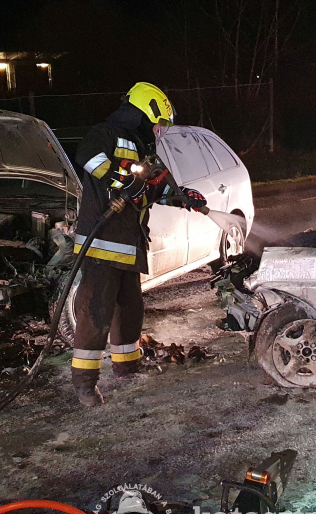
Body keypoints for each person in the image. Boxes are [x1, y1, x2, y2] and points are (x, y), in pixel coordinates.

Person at [70, 82, 206, 406]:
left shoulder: (145, 150)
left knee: (129, 314)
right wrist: (124, 180)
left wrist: (184, 197)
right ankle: (85, 386)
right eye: (159, 122)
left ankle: (127, 372)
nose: (160, 130)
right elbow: (87, 156)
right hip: (102, 244)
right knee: (95, 314)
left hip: (129, 248)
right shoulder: (106, 134)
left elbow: (158, 188)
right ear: (147, 110)